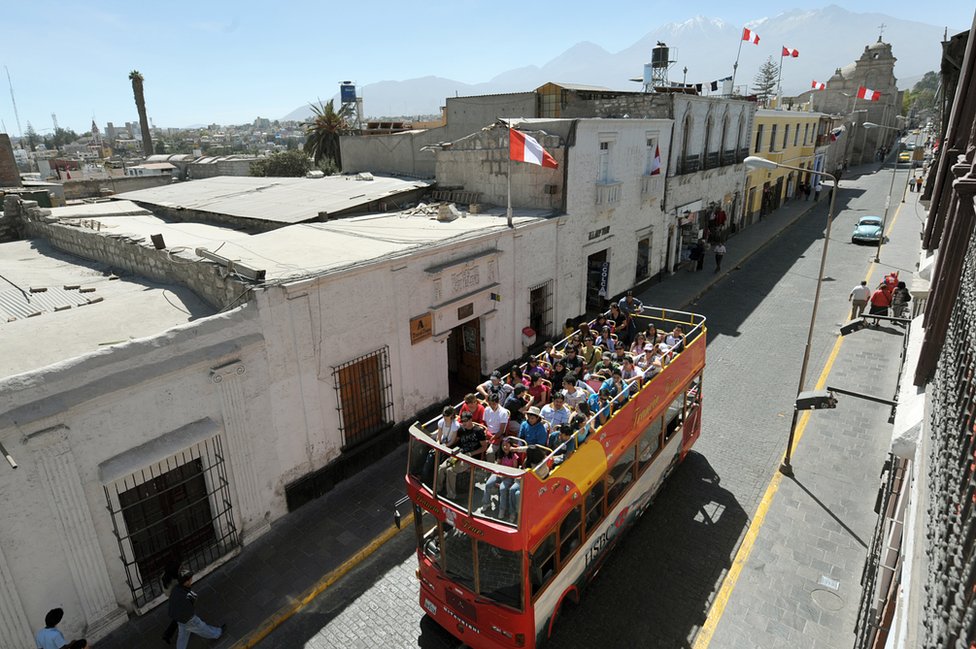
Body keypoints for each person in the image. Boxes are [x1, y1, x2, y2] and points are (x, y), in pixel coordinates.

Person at [168, 570, 224, 649]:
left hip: (179, 619)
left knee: (183, 636)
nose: (191, 580)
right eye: (190, 579)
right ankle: (218, 633)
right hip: (189, 619)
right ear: (187, 582)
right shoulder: (189, 595)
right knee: (203, 628)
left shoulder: (175, 589)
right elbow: (192, 605)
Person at [437, 411, 488, 499]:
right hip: (459, 454)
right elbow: (456, 440)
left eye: (465, 421)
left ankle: (451, 495)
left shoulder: (478, 431)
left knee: (450, 471)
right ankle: (438, 489)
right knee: (441, 468)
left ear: (470, 420)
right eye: (462, 421)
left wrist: (471, 453)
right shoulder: (461, 430)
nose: (463, 423)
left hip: (471, 458)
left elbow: (484, 447)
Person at [482, 439, 521, 520]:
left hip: (509, 476)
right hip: (500, 473)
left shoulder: (514, 457)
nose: (505, 447)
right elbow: (498, 464)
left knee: (502, 488)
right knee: (488, 484)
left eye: (507, 445)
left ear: (510, 446)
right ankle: (486, 503)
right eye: (503, 445)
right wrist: (498, 473)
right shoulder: (501, 454)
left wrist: (505, 476)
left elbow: (514, 470)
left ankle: (502, 510)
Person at [482, 393, 510, 458]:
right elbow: (484, 423)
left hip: (497, 436)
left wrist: (493, 437)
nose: (491, 406)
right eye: (490, 404)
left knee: (490, 453)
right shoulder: (486, 409)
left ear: (498, 402)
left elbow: (501, 430)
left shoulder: (503, 412)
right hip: (487, 433)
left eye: (493, 404)